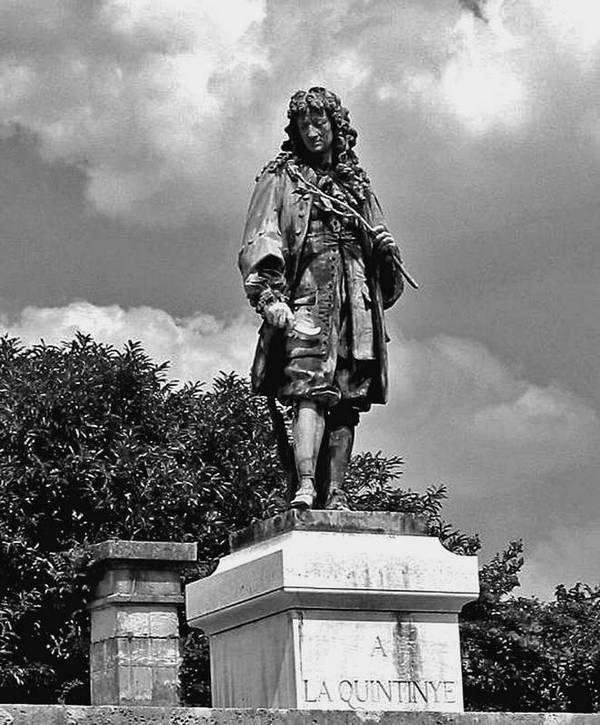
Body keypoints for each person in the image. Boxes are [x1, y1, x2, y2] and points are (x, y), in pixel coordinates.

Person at [238, 87, 405, 510]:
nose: (312, 132)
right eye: (303, 125)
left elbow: (384, 268)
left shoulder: (358, 186)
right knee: (307, 389)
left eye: (319, 123)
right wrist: (270, 296)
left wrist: (386, 254)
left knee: (349, 397)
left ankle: (337, 493)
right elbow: (263, 236)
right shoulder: (282, 177)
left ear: (336, 126)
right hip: (309, 298)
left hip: (356, 301)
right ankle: (306, 486)